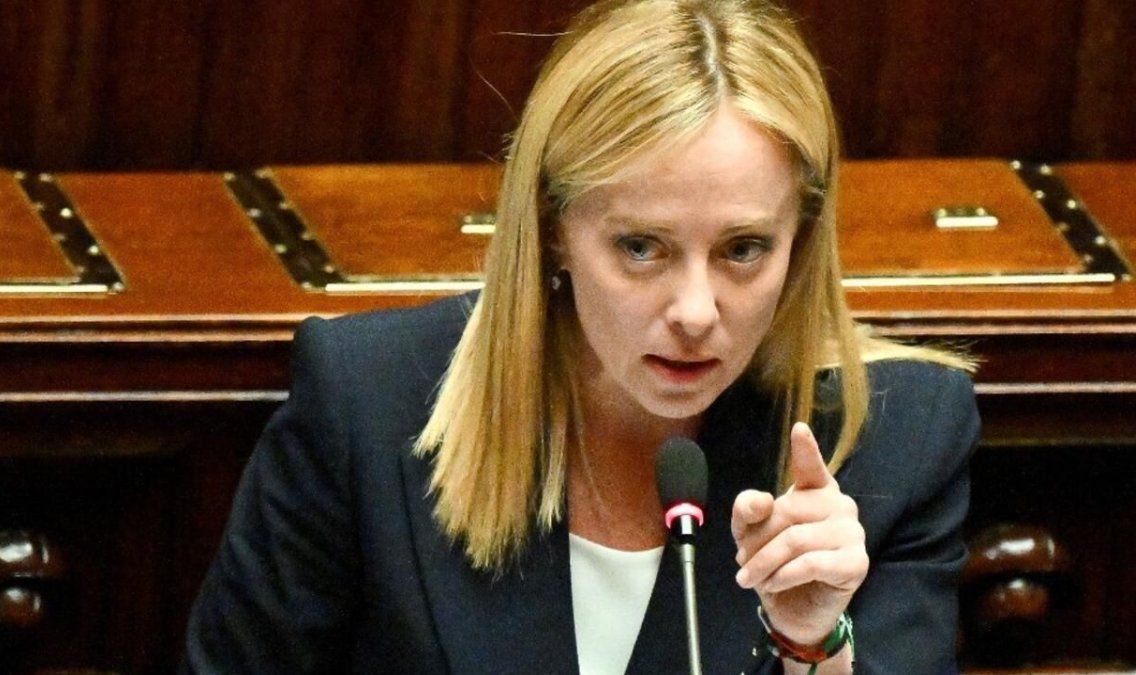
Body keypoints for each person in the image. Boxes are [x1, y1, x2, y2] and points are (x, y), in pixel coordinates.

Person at [182, 0, 979, 673]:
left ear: (798, 242)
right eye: (641, 247)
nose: (695, 310)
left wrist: (813, 646)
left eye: (743, 249)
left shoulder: (893, 441)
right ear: (554, 228)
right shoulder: (368, 404)